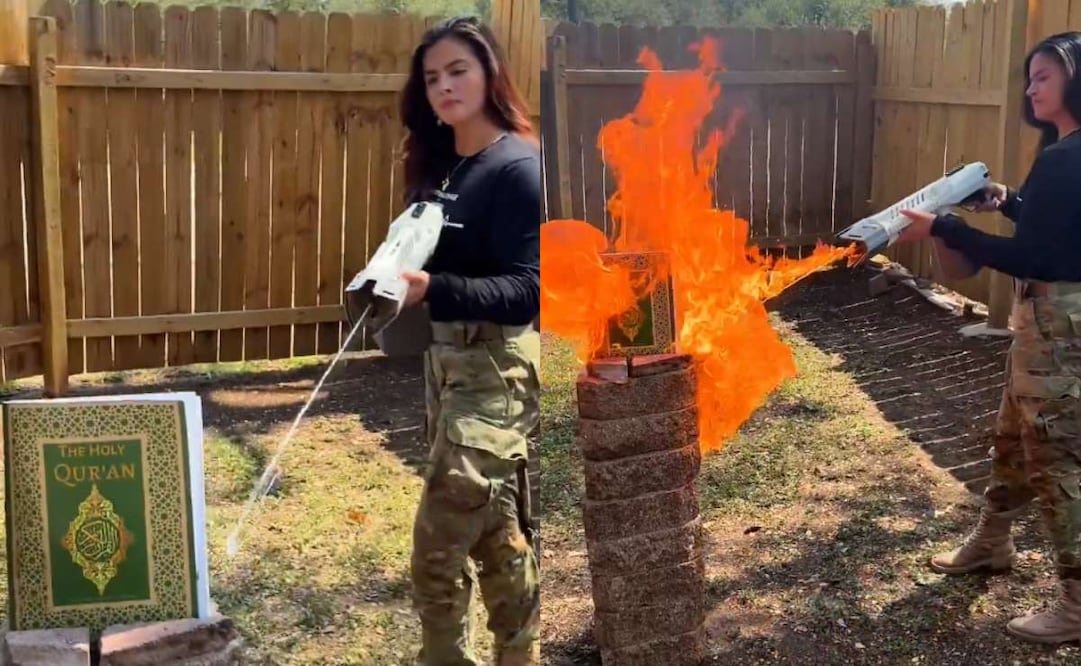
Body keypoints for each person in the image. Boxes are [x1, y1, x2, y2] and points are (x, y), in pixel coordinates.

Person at [896, 31, 1081, 644]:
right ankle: (991, 542)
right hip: (1052, 325)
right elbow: (1053, 227)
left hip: (1060, 327)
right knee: (1011, 436)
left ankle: (1078, 603)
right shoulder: (1067, 153)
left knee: (1055, 460)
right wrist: (1004, 200)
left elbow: (1035, 254)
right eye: (1029, 77)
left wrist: (947, 226)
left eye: (1044, 77)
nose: (1030, 88)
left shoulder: (1066, 156)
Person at [395, 14, 541, 666]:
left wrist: (434, 288)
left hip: (494, 370)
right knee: (494, 534)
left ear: (488, 74)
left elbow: (527, 291)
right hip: (448, 367)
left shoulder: (516, 168)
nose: (444, 86)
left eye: (458, 70)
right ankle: (520, 654)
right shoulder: (446, 166)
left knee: (434, 555)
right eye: (432, 78)